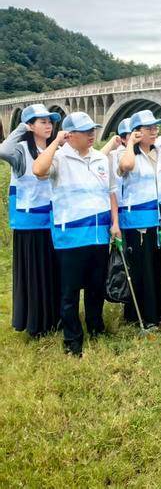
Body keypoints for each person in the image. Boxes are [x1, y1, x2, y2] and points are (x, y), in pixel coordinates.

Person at [33, 112, 119, 357]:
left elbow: (111, 192)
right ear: (69, 135)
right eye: (85, 131)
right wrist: (55, 142)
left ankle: (96, 328)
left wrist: (115, 222)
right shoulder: (58, 158)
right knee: (70, 292)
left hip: (99, 235)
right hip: (71, 238)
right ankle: (72, 340)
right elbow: (38, 169)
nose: (92, 134)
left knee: (96, 287)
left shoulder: (100, 158)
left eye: (93, 130)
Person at [0, 104, 61, 338]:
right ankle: (37, 323)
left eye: (50, 121)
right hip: (30, 224)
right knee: (35, 274)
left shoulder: (53, 149)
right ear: (30, 125)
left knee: (52, 272)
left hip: (52, 220)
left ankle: (54, 318)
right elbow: (3, 151)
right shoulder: (21, 151)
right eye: (42, 121)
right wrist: (20, 129)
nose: (48, 125)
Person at [117, 110, 161, 328]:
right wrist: (130, 144)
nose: (154, 131)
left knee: (159, 268)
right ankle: (144, 317)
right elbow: (126, 167)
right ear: (136, 132)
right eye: (148, 128)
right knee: (142, 270)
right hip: (136, 222)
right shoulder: (125, 155)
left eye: (155, 127)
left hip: (158, 219)